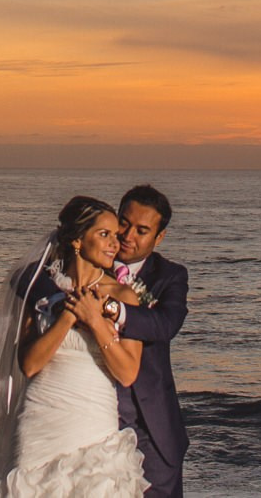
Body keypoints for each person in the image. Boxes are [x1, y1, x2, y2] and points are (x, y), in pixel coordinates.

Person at [0, 196, 148, 498]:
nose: (115, 244)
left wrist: (95, 320)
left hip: (93, 421)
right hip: (40, 419)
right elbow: (29, 365)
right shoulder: (43, 290)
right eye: (104, 234)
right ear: (77, 240)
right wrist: (68, 315)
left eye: (115, 235)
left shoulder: (123, 296)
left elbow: (127, 373)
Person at [104, 185, 188, 498]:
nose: (127, 236)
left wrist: (114, 309)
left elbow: (166, 325)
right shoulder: (87, 262)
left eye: (142, 230)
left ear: (159, 237)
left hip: (151, 424)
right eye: (123, 223)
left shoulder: (170, 275)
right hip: (91, 411)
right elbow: (26, 279)